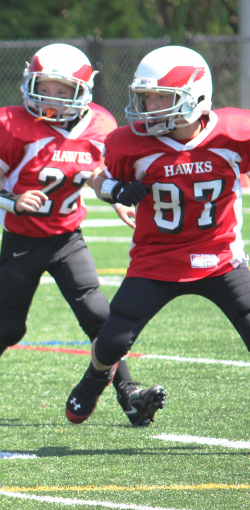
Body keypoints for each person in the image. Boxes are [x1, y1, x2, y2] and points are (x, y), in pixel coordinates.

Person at [0, 43, 165, 427]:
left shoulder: (98, 126)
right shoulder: (13, 125)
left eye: (61, 90)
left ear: (81, 91)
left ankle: (128, 393)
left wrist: (114, 197)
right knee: (10, 328)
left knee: (101, 318)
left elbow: (96, 175)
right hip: (22, 241)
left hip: (67, 238)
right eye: (44, 87)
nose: (51, 97)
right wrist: (12, 201)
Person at [66, 45, 250, 424]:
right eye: (146, 96)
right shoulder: (129, 144)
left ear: (196, 98)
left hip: (220, 257)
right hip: (157, 260)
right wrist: (115, 191)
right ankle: (95, 377)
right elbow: (99, 178)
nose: (148, 106)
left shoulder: (235, 133)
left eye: (161, 97)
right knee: (114, 339)